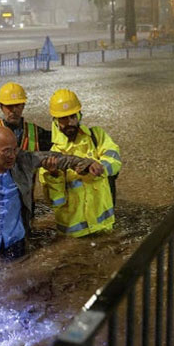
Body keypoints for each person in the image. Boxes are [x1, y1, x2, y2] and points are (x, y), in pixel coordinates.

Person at [0, 126, 95, 258]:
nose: (12, 155)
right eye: (6, 151)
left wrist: (86, 164)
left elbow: (56, 157)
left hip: (14, 240)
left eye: (14, 149)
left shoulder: (23, 160)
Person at [39, 88, 122, 238]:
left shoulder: (97, 136)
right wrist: (53, 175)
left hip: (104, 226)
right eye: (63, 118)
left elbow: (115, 160)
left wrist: (100, 167)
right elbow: (55, 202)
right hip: (74, 236)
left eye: (72, 116)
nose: (69, 122)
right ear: (56, 121)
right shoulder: (52, 155)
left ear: (79, 115)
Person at [0, 82, 53, 220]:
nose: (13, 110)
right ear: (1, 107)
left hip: (25, 204)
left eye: (17, 105)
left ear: (23, 106)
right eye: (9, 106)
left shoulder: (36, 133)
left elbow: (62, 144)